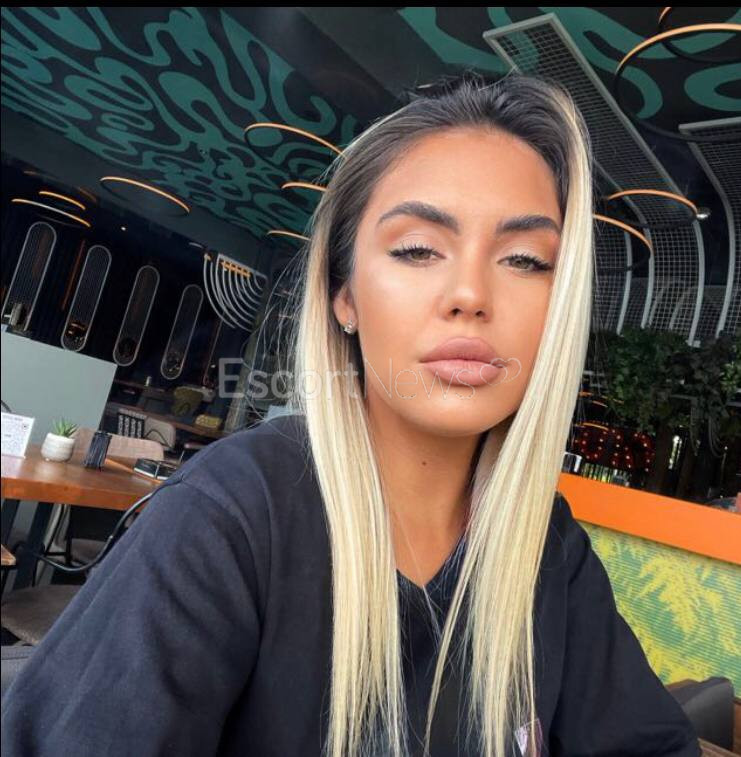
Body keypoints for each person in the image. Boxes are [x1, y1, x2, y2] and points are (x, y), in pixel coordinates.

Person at [1, 71, 701, 757]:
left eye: (524, 260)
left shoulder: (545, 546)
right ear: (345, 296)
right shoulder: (234, 512)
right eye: (417, 249)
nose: (469, 294)